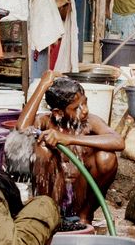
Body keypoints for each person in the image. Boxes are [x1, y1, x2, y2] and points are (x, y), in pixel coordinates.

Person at [15, 70, 125, 229]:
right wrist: (43, 84)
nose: (85, 110)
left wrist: (70, 139)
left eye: (85, 103)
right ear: (58, 113)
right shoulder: (46, 122)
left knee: (107, 158)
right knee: (42, 149)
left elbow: (118, 141)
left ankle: (85, 216)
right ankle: (47, 215)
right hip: (51, 198)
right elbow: (22, 127)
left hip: (80, 198)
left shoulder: (89, 122)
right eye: (78, 107)